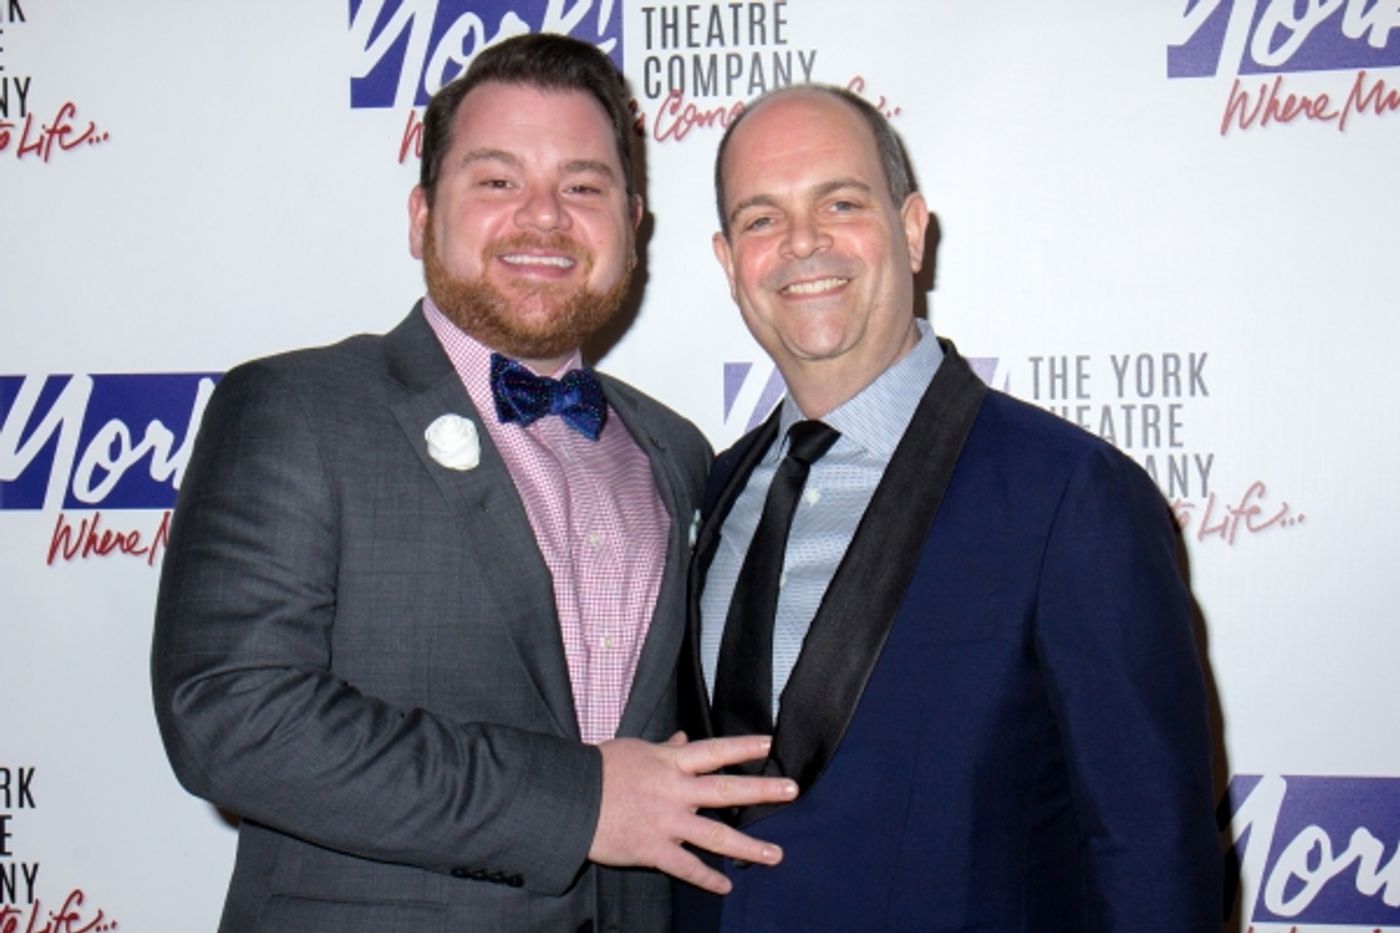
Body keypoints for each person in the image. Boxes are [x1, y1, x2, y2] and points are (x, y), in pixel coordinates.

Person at [151, 34, 797, 933]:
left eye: (583, 186)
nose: (544, 217)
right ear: (422, 217)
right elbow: (230, 716)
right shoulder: (297, 408)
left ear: (632, 225)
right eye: (496, 182)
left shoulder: (676, 451)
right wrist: (579, 802)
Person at [677, 84, 1222, 931]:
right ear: (726, 260)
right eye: (761, 219)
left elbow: (1156, 854)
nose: (802, 243)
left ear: (913, 229)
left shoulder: (1072, 496)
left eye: (842, 202)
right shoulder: (710, 489)